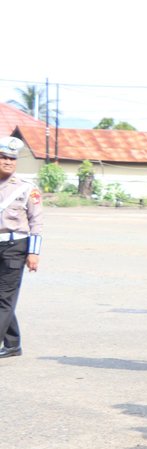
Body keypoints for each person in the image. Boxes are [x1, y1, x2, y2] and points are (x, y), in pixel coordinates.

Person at [0, 136, 43, 358]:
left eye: (12, 159)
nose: (8, 162)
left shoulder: (26, 188)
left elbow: (36, 222)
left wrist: (33, 252)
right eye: (3, 157)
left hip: (15, 246)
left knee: (4, 297)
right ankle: (13, 344)